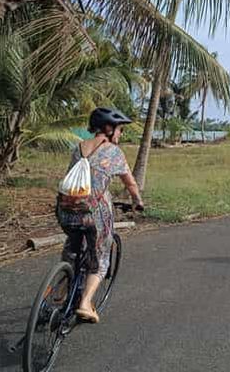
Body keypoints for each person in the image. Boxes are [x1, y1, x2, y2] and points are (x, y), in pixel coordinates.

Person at [56, 107, 144, 323]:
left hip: (65, 211)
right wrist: (137, 201)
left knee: (73, 246)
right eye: (120, 130)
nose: (120, 135)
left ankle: (63, 287)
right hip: (94, 213)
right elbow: (130, 182)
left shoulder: (79, 148)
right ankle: (85, 303)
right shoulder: (113, 152)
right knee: (101, 258)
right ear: (108, 128)